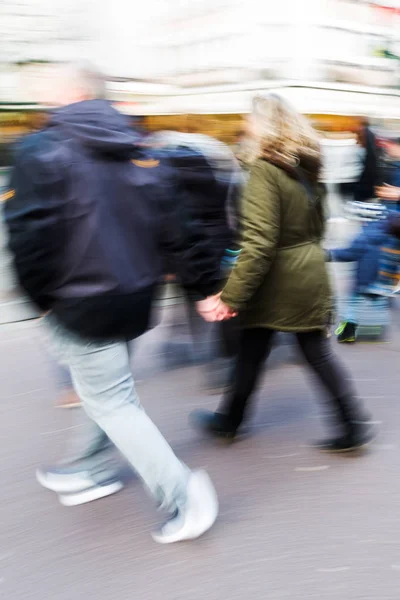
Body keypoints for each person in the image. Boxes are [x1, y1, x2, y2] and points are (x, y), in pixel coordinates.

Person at [4, 62, 219, 544]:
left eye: (46, 91)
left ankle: (184, 495)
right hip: (137, 294)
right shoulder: (141, 150)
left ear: (72, 94)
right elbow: (180, 230)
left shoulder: (42, 149)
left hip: (78, 299)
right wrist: (205, 286)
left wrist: (40, 299)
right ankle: (88, 466)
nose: (40, 100)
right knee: (104, 386)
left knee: (112, 397)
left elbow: (28, 236)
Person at [191, 94, 374, 452]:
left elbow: (258, 242)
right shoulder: (307, 170)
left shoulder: (264, 170)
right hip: (308, 270)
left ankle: (348, 424)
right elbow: (317, 227)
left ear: (263, 126)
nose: (246, 127)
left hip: (279, 279)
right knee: (264, 348)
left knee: (275, 349)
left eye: (250, 121)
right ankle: (233, 419)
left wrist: (231, 295)